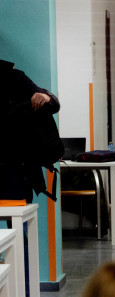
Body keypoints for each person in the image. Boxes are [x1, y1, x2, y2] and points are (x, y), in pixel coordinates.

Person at [0, 59, 63, 203]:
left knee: (21, 211)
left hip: (15, 163)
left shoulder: (12, 76)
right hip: (14, 162)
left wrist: (45, 97)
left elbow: (52, 104)